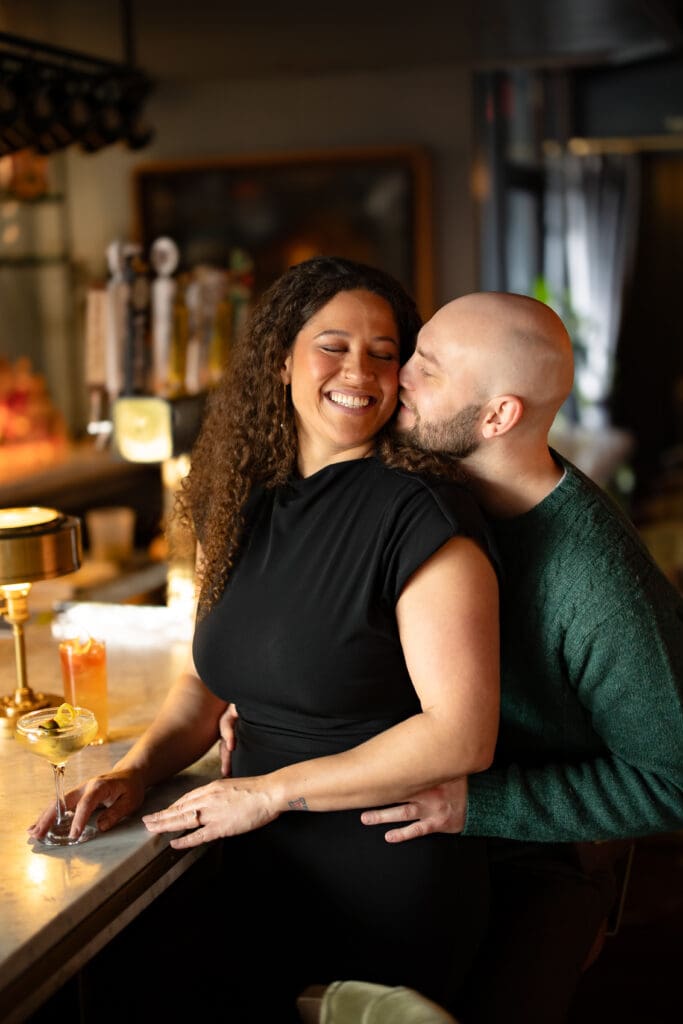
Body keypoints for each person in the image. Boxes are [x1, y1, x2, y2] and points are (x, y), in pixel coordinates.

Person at [30, 258, 501, 1021]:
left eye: (385, 352)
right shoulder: (247, 502)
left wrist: (266, 793)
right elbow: (205, 682)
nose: (359, 370)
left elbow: (461, 735)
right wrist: (137, 771)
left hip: (381, 879)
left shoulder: (422, 514)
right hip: (253, 862)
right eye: (333, 344)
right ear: (282, 358)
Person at [354, 290, 683, 1024]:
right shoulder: (423, 489)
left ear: (498, 417)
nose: (397, 376)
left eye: (427, 369)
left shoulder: (598, 582)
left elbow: (673, 779)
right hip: (423, 826)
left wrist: (479, 804)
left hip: (541, 858)